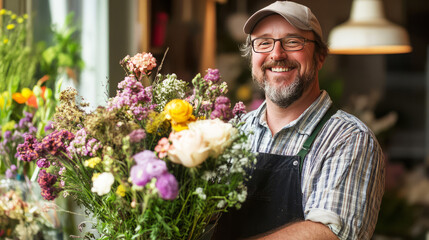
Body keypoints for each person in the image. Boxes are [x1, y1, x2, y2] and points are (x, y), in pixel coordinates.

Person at [212, 1, 385, 240]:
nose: (276, 54)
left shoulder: (349, 138)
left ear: (320, 56)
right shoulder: (229, 132)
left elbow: (329, 234)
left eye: (292, 41)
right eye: (263, 43)